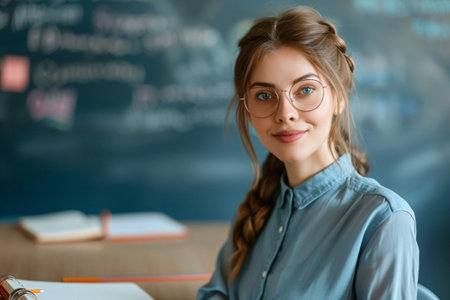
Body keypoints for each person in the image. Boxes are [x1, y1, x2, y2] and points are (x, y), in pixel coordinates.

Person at [198, 6, 419, 300]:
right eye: (265, 96)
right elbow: (215, 294)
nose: (285, 113)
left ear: (338, 98)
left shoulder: (383, 219)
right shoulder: (259, 209)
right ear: (248, 111)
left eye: (305, 90)